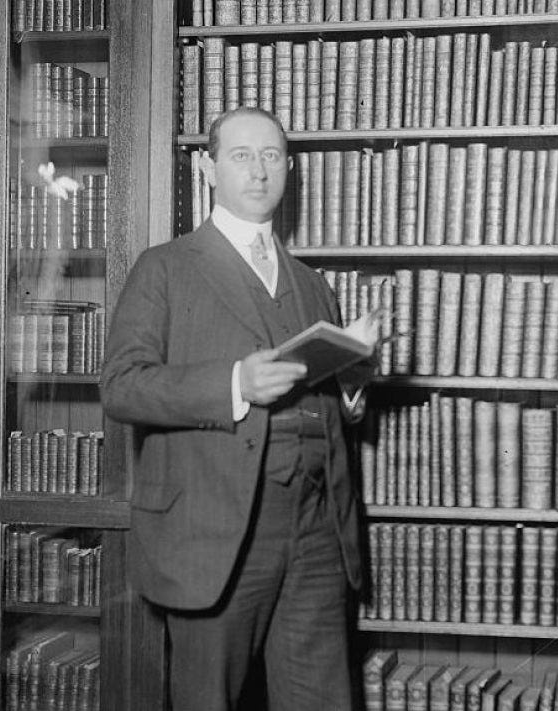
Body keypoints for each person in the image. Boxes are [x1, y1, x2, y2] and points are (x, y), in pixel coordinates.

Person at [100, 106, 375, 711]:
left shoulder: (310, 283)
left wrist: (352, 384)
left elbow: (327, 408)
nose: (259, 171)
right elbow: (121, 386)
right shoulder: (164, 268)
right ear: (208, 167)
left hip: (317, 530)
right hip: (214, 534)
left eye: (272, 156)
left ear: (291, 169)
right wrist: (233, 384)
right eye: (241, 156)